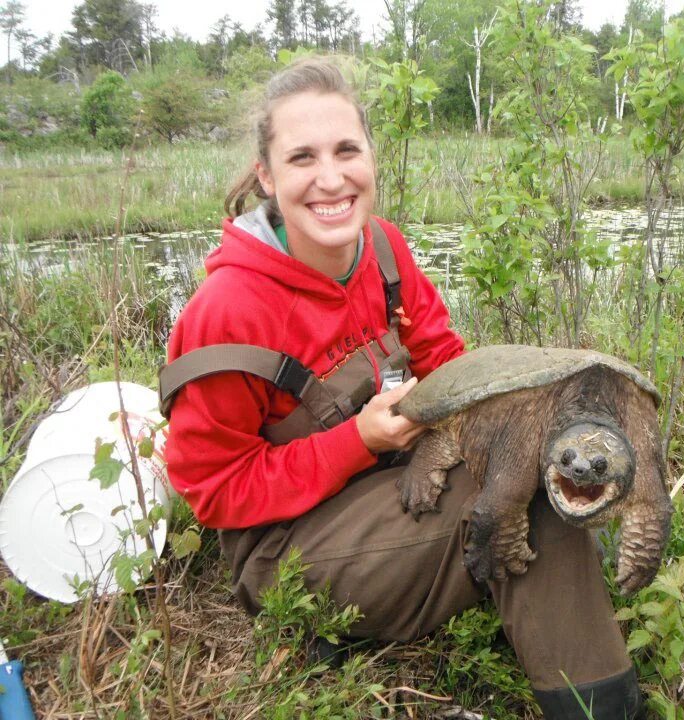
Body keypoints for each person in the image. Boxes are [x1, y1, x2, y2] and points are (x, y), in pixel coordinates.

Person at [161, 57, 643, 719]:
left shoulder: (384, 249)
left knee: (532, 462)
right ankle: (602, 708)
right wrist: (357, 440)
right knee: (515, 493)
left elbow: (450, 364)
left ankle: (590, 688)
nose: (330, 178)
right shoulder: (228, 310)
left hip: (391, 485)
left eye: (346, 150)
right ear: (267, 176)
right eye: (302, 158)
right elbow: (211, 491)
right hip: (282, 550)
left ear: (371, 158)